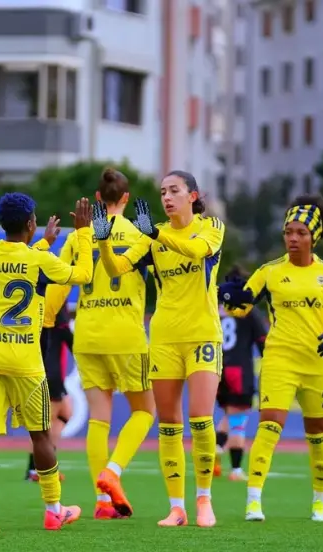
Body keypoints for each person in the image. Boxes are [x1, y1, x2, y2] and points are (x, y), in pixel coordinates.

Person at [93, 170, 225, 528]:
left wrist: (156, 233)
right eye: (163, 191)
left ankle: (204, 499)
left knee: (201, 418)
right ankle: (177, 508)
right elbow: (116, 268)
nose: (166, 197)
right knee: (168, 424)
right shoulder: (152, 236)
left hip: (203, 336)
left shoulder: (210, 226)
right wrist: (103, 242)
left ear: (192, 196)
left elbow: (197, 251)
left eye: (174, 190)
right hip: (164, 338)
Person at [0, 193, 94, 534]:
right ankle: (53, 511)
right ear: (29, 223)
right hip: (24, 361)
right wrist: (83, 232)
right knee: (40, 436)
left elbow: (17, 259)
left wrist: (43, 242)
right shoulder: (39, 260)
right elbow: (83, 274)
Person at [218, 193, 323, 523]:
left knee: (318, 433)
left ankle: (320, 502)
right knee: (269, 424)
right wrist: (228, 295)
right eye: (288, 231)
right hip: (280, 359)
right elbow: (242, 305)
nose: (293, 238)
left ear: (314, 236)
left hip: (319, 363)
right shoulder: (270, 272)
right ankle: (253, 500)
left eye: (301, 232)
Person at [49, 167, 156, 520]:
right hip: (126, 335)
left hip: (87, 332)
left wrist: (46, 321)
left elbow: (58, 284)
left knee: (99, 419)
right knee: (145, 411)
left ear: (97, 198)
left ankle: (102, 502)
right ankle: (112, 472)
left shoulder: (79, 235)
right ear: (126, 198)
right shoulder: (140, 234)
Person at [214, 266, 267, 482]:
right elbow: (262, 341)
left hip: (217, 368)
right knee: (239, 418)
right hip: (239, 369)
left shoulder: (216, 308)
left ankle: (217, 447)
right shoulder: (247, 309)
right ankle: (235, 469)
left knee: (229, 413)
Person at [26, 296, 74, 481]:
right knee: (46, 426)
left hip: (43, 376)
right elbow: (75, 346)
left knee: (63, 415)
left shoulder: (38, 323)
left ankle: (39, 467)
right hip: (51, 377)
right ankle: (36, 469)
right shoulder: (60, 326)